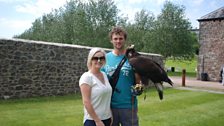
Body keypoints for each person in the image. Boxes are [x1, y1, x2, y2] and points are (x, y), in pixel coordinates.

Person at [102, 26, 140, 126]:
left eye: (120, 38)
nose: (118, 41)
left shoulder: (133, 58)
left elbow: (139, 81)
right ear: (111, 40)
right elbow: (99, 81)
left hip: (128, 105)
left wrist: (140, 87)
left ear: (125, 40)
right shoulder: (105, 58)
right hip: (109, 106)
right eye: (115, 38)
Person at [79, 48, 112, 126]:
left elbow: (107, 97)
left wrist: (110, 115)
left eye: (101, 58)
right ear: (90, 59)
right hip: (92, 121)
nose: (99, 60)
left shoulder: (104, 75)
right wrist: (97, 121)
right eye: (95, 58)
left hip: (107, 118)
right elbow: (86, 102)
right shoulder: (87, 77)